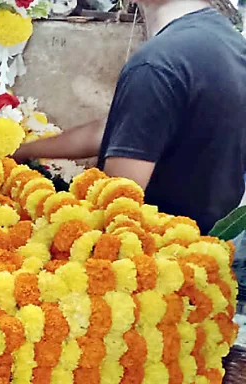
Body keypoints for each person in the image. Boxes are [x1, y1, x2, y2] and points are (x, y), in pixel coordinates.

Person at [13, 0, 246, 233]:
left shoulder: (157, 64)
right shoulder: (227, 41)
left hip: (159, 250)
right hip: (212, 248)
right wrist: (25, 150)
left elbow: (118, 200)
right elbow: (122, 132)